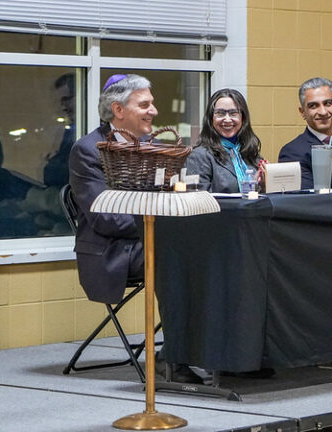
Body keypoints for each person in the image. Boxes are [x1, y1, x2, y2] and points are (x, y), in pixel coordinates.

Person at [68, 73, 202, 384]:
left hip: (150, 240)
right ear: (118, 110)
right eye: (145, 105)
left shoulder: (152, 145)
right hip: (113, 250)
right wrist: (161, 223)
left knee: (209, 252)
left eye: (152, 104)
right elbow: (105, 217)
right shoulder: (88, 150)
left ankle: (213, 349)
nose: (154, 111)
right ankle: (175, 356)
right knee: (179, 257)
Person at [185, 88, 265, 193]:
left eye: (233, 113)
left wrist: (263, 185)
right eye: (220, 113)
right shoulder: (199, 156)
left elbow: (258, 197)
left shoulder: (251, 153)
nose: (227, 119)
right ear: (210, 119)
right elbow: (198, 203)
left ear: (243, 118)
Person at [44, 73, 77, 187]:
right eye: (61, 102)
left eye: (66, 99)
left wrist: (53, 163)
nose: (63, 107)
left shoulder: (97, 131)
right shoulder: (69, 131)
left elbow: (61, 175)